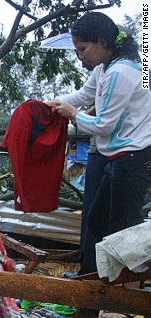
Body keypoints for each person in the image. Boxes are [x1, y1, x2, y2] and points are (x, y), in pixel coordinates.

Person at [47, 12, 151, 272]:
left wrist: (72, 113)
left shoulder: (122, 72)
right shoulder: (105, 69)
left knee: (123, 229)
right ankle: (114, 283)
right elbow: (83, 94)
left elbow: (104, 125)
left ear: (103, 42)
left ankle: (127, 295)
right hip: (116, 158)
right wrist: (50, 104)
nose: (80, 56)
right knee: (97, 220)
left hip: (134, 157)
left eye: (83, 49)